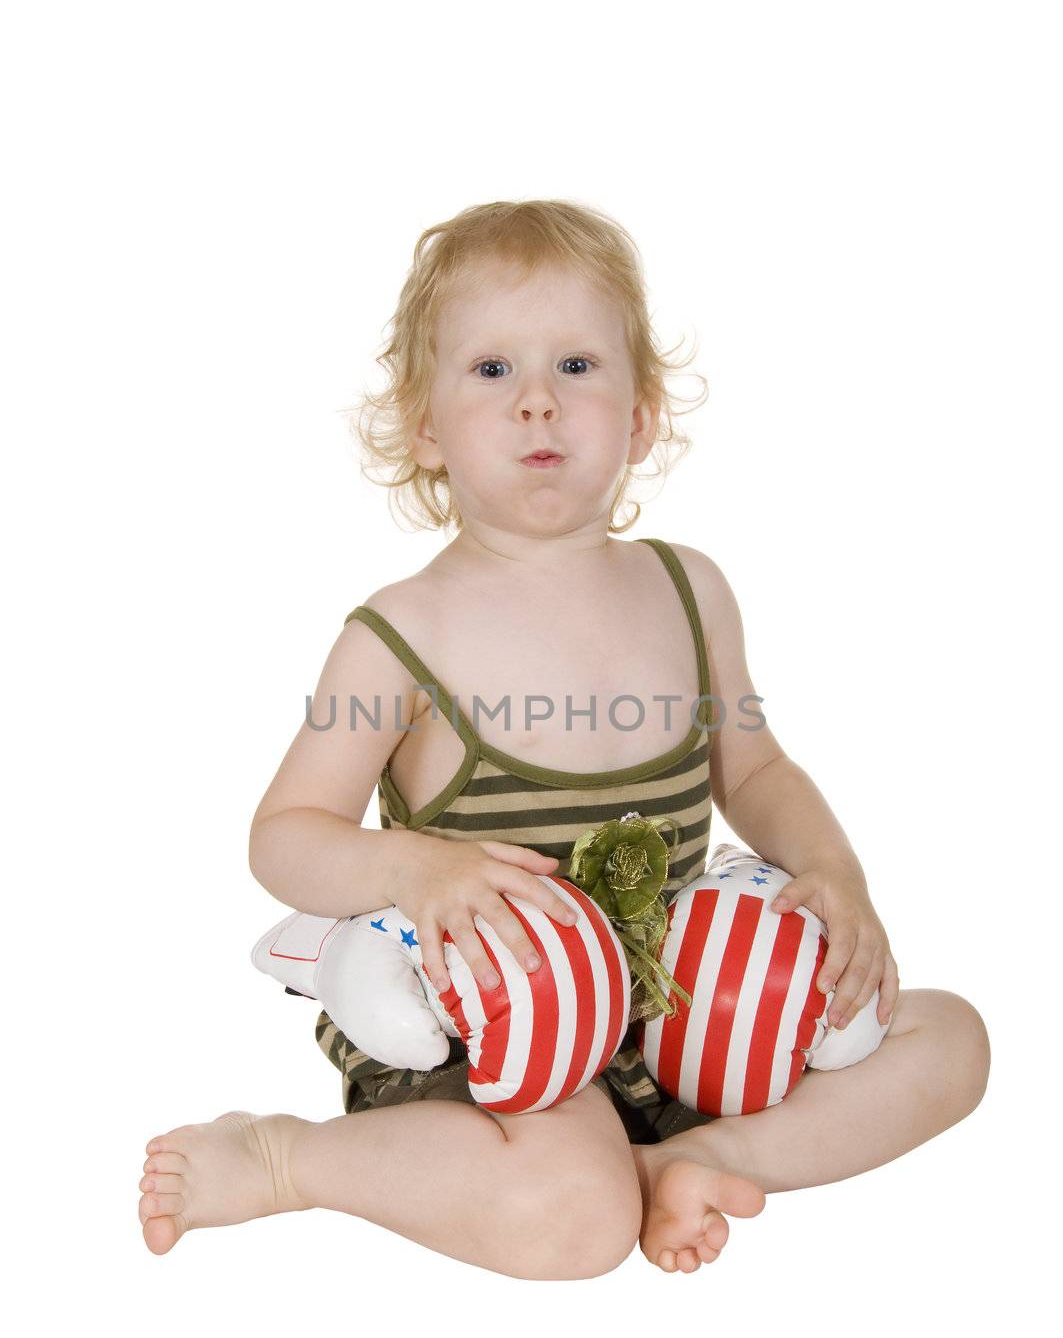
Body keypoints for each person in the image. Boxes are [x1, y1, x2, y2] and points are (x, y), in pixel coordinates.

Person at [137, 198, 991, 1278]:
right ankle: (289, 1160)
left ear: (639, 414)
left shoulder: (693, 593)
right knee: (571, 1219)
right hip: (489, 1042)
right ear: (426, 426)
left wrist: (832, 871)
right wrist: (416, 866)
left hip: (686, 1017)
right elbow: (284, 837)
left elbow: (757, 768)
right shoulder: (400, 636)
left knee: (949, 1040)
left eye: (578, 366)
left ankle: (704, 1154)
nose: (538, 401)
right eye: (491, 370)